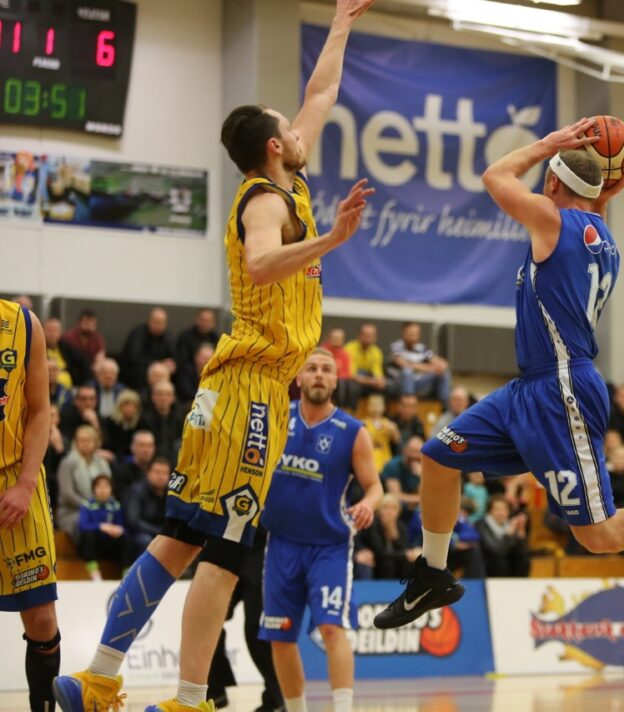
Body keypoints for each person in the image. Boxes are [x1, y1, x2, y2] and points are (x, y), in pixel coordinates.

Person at [54, 3, 377, 709]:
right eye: (290, 130)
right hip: (251, 392)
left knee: (178, 540)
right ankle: (189, 697)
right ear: (275, 147)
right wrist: (332, 240)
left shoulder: (286, 182)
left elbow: (321, 92)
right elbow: (260, 264)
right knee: (225, 554)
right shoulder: (266, 201)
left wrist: (342, 22)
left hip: (232, 389)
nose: (302, 132)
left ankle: (99, 676)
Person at [374, 119, 624, 630]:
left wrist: (548, 144)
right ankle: (433, 573)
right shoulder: (603, 236)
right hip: (532, 386)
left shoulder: (552, 221)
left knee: (598, 535)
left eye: (547, 180)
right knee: (439, 456)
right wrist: (603, 192)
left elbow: (495, 176)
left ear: (553, 181)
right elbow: (588, 212)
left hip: (561, 389)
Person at [259, 349, 381, 712]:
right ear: (298, 378)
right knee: (280, 636)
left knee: (331, 628)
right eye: (311, 368)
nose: (318, 374)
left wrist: (368, 504)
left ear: (335, 380)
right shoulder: (277, 417)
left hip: (329, 547)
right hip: (281, 543)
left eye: (327, 369)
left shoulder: (352, 431)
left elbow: (374, 486)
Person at [0, 299, 62, 711]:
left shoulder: (23, 323)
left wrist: (25, 484)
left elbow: (40, 411)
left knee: (41, 619)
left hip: (16, 477)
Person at [57, 425, 111, 543]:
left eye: (89, 440)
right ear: (76, 442)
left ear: (96, 443)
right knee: (87, 526)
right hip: (73, 511)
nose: (86, 444)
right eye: (82, 440)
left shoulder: (102, 463)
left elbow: (108, 487)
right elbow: (67, 494)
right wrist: (89, 506)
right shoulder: (67, 463)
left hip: (100, 508)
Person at [388, 322, 451, 406]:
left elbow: (441, 362)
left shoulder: (422, 348)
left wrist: (440, 367)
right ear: (404, 334)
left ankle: (446, 406)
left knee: (443, 373)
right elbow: (404, 364)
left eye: (416, 334)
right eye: (411, 334)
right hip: (398, 383)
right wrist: (428, 368)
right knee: (407, 372)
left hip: (417, 382)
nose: (414, 336)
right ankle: (409, 404)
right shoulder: (396, 346)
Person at [77, 474, 125, 581]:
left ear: (111, 489)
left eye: (106, 486)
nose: (103, 490)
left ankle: (127, 572)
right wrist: (101, 526)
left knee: (127, 537)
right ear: (94, 489)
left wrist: (118, 529)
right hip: (94, 544)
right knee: (88, 535)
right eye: (99, 487)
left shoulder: (116, 505)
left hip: (110, 544)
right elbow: (82, 525)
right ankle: (94, 572)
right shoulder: (87, 505)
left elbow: (121, 525)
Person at [124, 456, 171, 562]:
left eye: (165, 473)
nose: (161, 477)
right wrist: (158, 531)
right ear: (148, 473)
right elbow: (133, 521)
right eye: (157, 472)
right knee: (146, 540)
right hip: (138, 533)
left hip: (161, 533)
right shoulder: (137, 491)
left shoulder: (171, 494)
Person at [476, 495, 530, 577]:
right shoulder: (481, 525)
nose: (501, 513)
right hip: (488, 562)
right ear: (489, 511)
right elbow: (496, 551)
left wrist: (520, 532)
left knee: (524, 559)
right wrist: (508, 534)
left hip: (506, 561)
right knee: (499, 561)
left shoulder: (509, 524)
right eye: (497, 509)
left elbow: (522, 551)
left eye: (504, 509)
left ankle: (520, 584)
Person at [343, 322, 387, 400]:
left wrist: (381, 380)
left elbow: (377, 372)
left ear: (375, 337)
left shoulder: (377, 352)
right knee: (352, 386)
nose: (368, 338)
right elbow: (351, 375)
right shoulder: (349, 349)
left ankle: (379, 409)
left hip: (368, 380)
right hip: (352, 381)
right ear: (359, 335)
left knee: (384, 386)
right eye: (365, 335)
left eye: (371, 335)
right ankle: (349, 408)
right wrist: (372, 381)